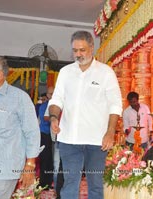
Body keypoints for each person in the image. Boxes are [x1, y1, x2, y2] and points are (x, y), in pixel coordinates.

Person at [48, 30, 122, 199]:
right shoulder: (66, 72)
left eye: (82, 50)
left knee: (95, 185)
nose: (78, 54)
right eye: (75, 50)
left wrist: (110, 132)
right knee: (69, 184)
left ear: (92, 48)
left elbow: (115, 104)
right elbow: (57, 99)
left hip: (97, 142)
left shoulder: (105, 72)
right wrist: (53, 118)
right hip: (69, 140)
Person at [0, 56, 40, 199]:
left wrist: (30, 165)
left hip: (5, 168)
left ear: (0, 75)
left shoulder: (19, 98)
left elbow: (32, 132)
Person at [38, 86, 54, 189]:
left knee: (51, 160)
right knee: (45, 160)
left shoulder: (59, 105)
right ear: (47, 95)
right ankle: (43, 183)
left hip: (55, 137)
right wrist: (55, 118)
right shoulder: (44, 106)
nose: (51, 95)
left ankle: (49, 182)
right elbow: (44, 119)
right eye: (49, 93)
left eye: (53, 93)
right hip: (45, 135)